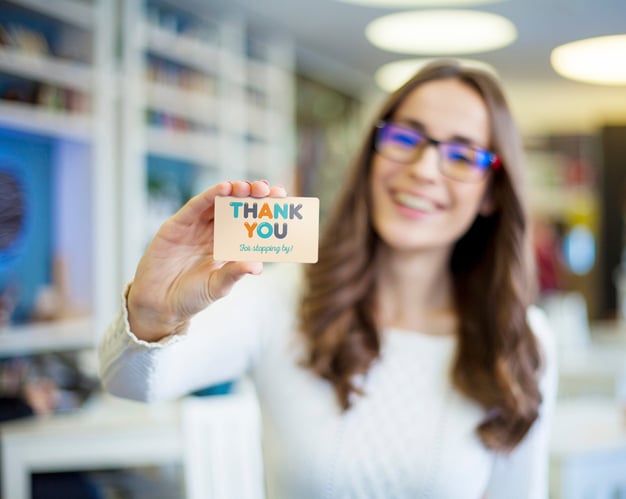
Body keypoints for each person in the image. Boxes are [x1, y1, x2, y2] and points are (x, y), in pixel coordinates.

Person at [98, 60, 557, 498]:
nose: (422, 170)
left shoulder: (520, 340)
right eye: (405, 137)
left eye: (462, 154)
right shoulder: (280, 297)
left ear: (492, 193)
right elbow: (132, 383)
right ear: (372, 156)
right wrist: (153, 313)